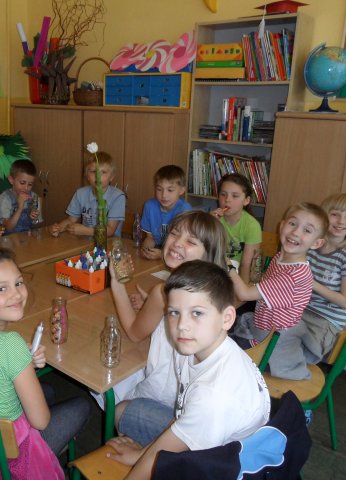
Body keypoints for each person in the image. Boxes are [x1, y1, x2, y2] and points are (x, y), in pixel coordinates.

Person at [105, 261, 270, 479]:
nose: (182, 325)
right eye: (174, 312)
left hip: (221, 464)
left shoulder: (214, 396)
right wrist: (139, 456)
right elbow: (183, 416)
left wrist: (140, 461)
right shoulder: (202, 346)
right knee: (122, 409)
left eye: (197, 313)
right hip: (214, 438)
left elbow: (164, 449)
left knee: (122, 413)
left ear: (227, 318)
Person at [0, 248, 90, 478]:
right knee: (82, 405)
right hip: (4, 459)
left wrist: (23, 364)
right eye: (1, 289)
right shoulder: (10, 344)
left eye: (18, 283)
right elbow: (41, 422)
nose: (17, 294)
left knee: (48, 390)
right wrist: (19, 358)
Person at [109, 210, 227, 446]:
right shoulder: (213, 288)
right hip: (198, 397)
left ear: (207, 254)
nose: (177, 243)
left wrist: (116, 281)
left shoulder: (164, 292)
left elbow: (133, 332)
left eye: (191, 241)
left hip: (173, 398)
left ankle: (149, 450)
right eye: (175, 233)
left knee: (112, 394)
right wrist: (154, 307)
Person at [230, 202, 328, 380]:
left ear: (317, 243)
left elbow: (244, 294)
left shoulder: (293, 276)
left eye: (307, 230)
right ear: (281, 226)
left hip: (272, 345)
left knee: (221, 351)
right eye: (292, 223)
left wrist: (228, 267)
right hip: (264, 327)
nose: (296, 232)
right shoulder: (281, 258)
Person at [277, 193, 346, 379]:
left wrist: (310, 282)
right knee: (270, 335)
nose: (341, 221)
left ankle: (295, 384)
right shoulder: (312, 246)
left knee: (284, 350)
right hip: (301, 309)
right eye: (335, 214)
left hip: (324, 321)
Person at [49, 151, 126, 237]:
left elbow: (110, 231)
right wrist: (58, 228)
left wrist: (84, 231)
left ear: (111, 177)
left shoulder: (118, 197)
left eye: (103, 172)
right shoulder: (80, 193)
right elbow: (70, 220)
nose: (97, 176)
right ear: (87, 176)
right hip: (85, 242)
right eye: (93, 171)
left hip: (109, 243)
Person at [211, 173, 262, 285]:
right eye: (223, 194)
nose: (227, 200)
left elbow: (246, 265)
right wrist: (207, 223)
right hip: (213, 272)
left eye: (235, 196)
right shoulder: (214, 219)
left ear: (246, 200)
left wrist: (242, 291)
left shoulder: (252, 226)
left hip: (237, 276)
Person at [139, 165, 191, 261]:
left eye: (170, 190)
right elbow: (150, 238)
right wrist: (146, 250)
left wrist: (163, 254)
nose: (163, 195)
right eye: (159, 189)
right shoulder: (149, 206)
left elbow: (183, 245)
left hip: (177, 253)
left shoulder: (185, 210)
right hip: (158, 251)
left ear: (181, 190)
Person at [0, 159, 43, 233]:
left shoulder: (34, 197)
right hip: (9, 237)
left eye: (30, 184)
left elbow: (38, 225)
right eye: (22, 183)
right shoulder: (4, 199)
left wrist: (34, 219)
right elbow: (8, 228)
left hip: (28, 236)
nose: (26, 188)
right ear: (11, 180)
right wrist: (20, 208)